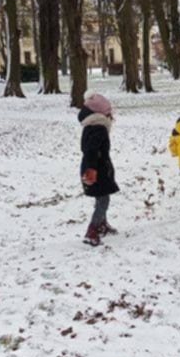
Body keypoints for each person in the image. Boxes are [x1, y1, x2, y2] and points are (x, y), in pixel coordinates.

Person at [78, 92, 119, 246]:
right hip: (97, 170)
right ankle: (93, 230)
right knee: (103, 200)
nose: (111, 115)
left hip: (97, 167)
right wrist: (91, 170)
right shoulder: (98, 129)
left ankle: (102, 225)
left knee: (102, 198)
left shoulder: (91, 126)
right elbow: (91, 151)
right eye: (108, 112)